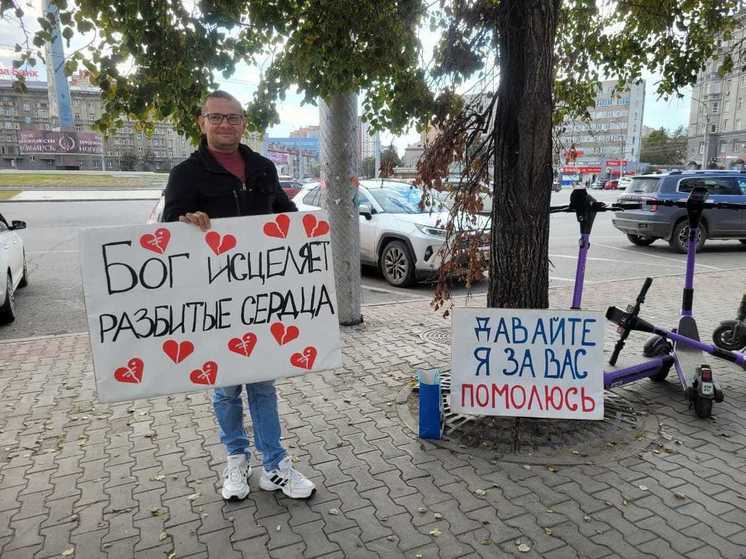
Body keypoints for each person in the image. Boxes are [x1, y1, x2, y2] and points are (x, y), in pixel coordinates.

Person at [162, 90, 316, 501]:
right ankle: (236, 458)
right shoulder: (186, 174)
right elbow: (165, 232)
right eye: (217, 117)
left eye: (233, 117)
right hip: (213, 301)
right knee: (226, 387)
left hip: (260, 297)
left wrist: (310, 240)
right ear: (202, 122)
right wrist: (184, 222)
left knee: (263, 383)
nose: (225, 124)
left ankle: (274, 464)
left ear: (244, 122)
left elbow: (287, 215)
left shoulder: (263, 168)